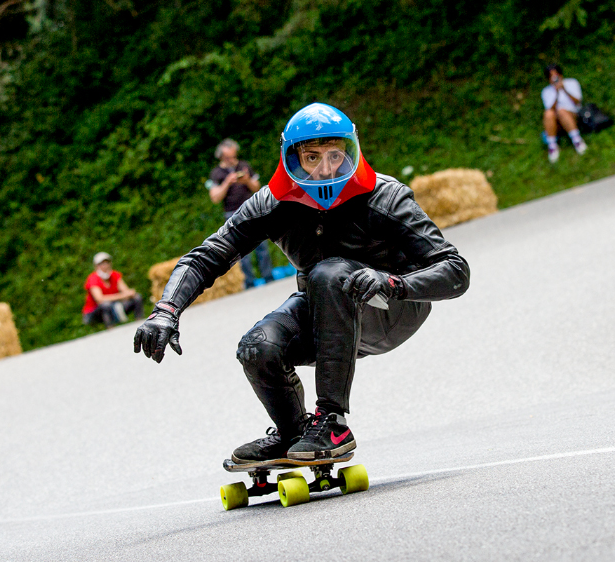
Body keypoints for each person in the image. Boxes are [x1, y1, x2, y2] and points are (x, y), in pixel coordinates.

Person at [133, 103, 470, 465]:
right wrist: (165, 311)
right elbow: (208, 256)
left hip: (391, 309)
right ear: (292, 158)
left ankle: (332, 422)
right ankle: (293, 432)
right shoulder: (273, 203)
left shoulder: (385, 197)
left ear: (351, 153)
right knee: (257, 347)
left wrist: (391, 282)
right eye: (312, 157)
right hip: (325, 309)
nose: (326, 170)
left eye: (336, 156)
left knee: (327, 273)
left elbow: (454, 270)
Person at [207, 138, 275, 289]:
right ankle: (249, 283)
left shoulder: (244, 166)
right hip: (232, 214)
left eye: (233, 155)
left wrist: (246, 180)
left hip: (253, 210)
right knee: (241, 252)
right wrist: (227, 183)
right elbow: (215, 197)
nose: (232, 160)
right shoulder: (216, 173)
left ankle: (268, 277)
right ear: (221, 157)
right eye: (228, 157)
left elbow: (258, 187)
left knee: (262, 246)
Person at [541, 64, 587, 163]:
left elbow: (577, 102)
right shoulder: (546, 91)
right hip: (557, 122)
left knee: (561, 111)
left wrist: (564, 89)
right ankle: (552, 146)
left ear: (560, 74)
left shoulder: (571, 83)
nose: (554, 79)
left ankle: (577, 140)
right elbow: (550, 109)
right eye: (551, 76)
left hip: (574, 116)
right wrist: (557, 93)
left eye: (556, 75)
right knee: (549, 113)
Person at [83, 252, 144, 327]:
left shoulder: (115, 275)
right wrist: (122, 296)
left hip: (114, 306)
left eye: (107, 263)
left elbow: (126, 292)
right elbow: (100, 299)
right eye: (102, 264)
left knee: (137, 297)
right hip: (94, 312)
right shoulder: (93, 279)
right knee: (105, 305)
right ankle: (111, 328)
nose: (105, 266)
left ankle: (140, 323)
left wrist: (129, 294)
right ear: (96, 266)